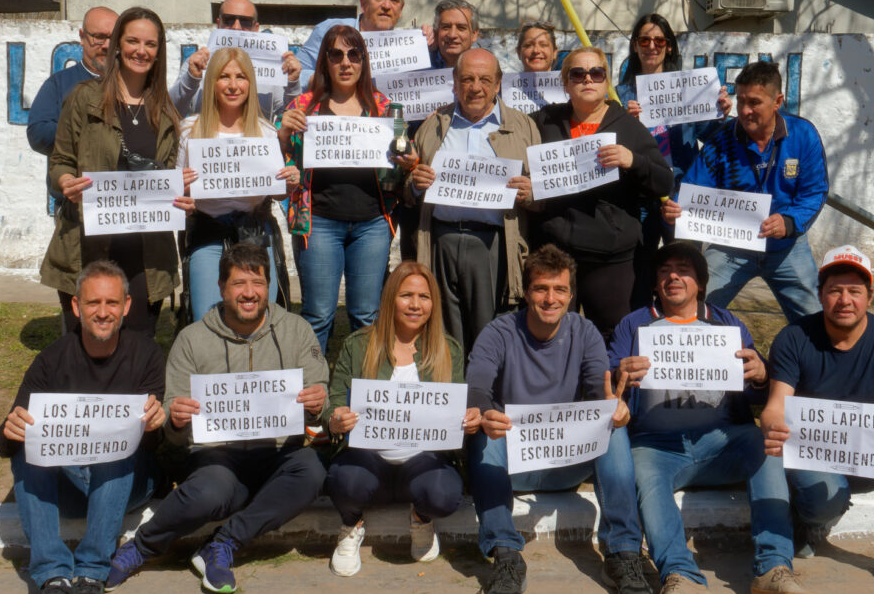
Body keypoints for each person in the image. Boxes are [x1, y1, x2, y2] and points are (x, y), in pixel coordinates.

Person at [106, 243, 329, 594]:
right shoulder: (191, 340)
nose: (250, 293)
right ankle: (142, 547)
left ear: (268, 286)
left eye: (258, 283)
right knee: (209, 491)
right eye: (239, 283)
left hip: (278, 453)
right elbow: (173, 432)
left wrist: (318, 401)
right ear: (222, 287)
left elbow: (321, 394)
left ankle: (223, 544)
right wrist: (176, 420)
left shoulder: (296, 330)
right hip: (217, 456)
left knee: (313, 470)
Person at [608, 242, 816, 594]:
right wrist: (620, 375)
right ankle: (679, 575)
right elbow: (610, 389)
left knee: (765, 445)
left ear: (701, 283)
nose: (673, 276)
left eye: (683, 270)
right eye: (664, 271)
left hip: (722, 441)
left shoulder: (727, 323)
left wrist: (761, 375)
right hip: (656, 446)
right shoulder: (634, 324)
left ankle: (773, 568)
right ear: (656, 284)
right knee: (645, 477)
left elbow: (756, 393)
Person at [467, 244, 652, 594]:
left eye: (560, 289)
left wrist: (615, 408)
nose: (550, 298)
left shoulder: (585, 333)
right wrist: (483, 411)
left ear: (571, 294)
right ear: (526, 291)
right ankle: (506, 554)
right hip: (511, 461)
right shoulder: (498, 332)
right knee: (484, 434)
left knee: (613, 428)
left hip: (569, 459)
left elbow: (601, 390)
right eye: (541, 288)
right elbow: (477, 386)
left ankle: (623, 553)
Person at [762, 246, 874, 594]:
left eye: (854, 291)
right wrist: (772, 424)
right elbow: (776, 404)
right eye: (835, 290)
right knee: (828, 496)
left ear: (869, 297)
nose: (844, 300)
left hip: (870, 456)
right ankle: (808, 519)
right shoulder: (794, 337)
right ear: (820, 294)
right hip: (813, 458)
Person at [0, 260, 165, 594]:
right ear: (76, 307)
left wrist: (155, 424)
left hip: (128, 482)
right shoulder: (51, 360)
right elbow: (5, 443)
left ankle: (91, 574)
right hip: (72, 486)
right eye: (93, 303)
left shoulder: (147, 354)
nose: (103, 312)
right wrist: (9, 430)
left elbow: (155, 445)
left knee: (117, 446)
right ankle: (52, 576)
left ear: (127, 306)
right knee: (28, 451)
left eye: (112, 303)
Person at [325, 261, 481, 576]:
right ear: (390, 299)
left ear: (434, 304)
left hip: (422, 461)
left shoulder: (447, 350)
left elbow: (454, 413)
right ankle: (351, 524)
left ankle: (421, 517)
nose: (414, 304)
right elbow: (335, 401)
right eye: (405, 295)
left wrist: (467, 421)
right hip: (368, 458)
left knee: (444, 495)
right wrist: (335, 418)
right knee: (344, 482)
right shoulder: (359, 345)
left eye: (424, 297)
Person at [40, 6, 185, 334]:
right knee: (89, 346)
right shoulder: (83, 99)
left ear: (159, 51)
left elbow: (172, 174)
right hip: (88, 245)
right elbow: (60, 161)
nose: (141, 50)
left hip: (147, 254)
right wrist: (66, 181)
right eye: (132, 40)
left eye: (150, 44)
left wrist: (182, 194)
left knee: (134, 347)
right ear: (119, 44)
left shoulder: (165, 111)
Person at [661, 61, 828, 324]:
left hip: (787, 248)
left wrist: (789, 222)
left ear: (778, 101)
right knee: (691, 309)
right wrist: (676, 208)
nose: (745, 111)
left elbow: (815, 193)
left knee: (817, 321)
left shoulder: (803, 135)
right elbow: (694, 188)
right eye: (741, 102)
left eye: (754, 102)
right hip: (731, 248)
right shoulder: (721, 140)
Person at [531, 46, 674, 341]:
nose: (588, 80)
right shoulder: (543, 121)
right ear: (565, 83)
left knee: (615, 338)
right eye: (578, 74)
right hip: (556, 255)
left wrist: (632, 160)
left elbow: (664, 182)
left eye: (596, 73)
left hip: (611, 261)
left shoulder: (627, 127)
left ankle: (608, 389)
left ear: (606, 81)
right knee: (552, 336)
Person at [406, 47, 539, 354]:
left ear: (498, 83)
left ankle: (483, 398)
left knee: (488, 333)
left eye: (484, 79)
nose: (475, 87)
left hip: (492, 244)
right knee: (442, 332)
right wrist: (414, 184)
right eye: (467, 79)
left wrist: (530, 192)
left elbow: (541, 193)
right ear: (455, 82)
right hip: (441, 239)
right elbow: (409, 187)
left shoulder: (522, 126)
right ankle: (452, 392)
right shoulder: (434, 125)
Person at [279, 25, 397, 351]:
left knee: (367, 316)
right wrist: (283, 134)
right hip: (319, 223)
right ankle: (313, 397)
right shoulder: (303, 105)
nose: (346, 63)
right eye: (336, 55)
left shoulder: (383, 107)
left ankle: (366, 394)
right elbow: (280, 162)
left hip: (372, 224)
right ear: (325, 62)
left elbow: (401, 163)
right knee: (317, 314)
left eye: (354, 54)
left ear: (363, 61)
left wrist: (408, 157)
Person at [613, 13, 731, 306]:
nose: (651, 46)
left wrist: (721, 112)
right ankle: (641, 325)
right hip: (639, 195)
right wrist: (624, 123)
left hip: (680, 195)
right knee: (639, 270)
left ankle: (683, 325)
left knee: (684, 268)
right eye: (644, 40)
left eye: (659, 40)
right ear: (635, 47)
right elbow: (610, 146)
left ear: (668, 47)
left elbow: (711, 135)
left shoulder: (690, 89)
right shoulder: (619, 96)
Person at [175, 47, 300, 321]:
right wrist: (181, 189)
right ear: (212, 83)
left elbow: (277, 193)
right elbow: (176, 195)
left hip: (255, 232)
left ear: (250, 84)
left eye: (241, 77)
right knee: (206, 319)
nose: (233, 85)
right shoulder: (190, 129)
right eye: (224, 77)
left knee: (260, 317)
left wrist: (289, 182)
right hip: (207, 233)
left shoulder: (266, 131)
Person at [169, 0, 301, 119]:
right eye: (229, 20)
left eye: (245, 22)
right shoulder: (197, 64)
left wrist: (292, 84)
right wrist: (191, 79)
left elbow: (289, 118)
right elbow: (171, 113)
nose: (236, 28)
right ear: (218, 24)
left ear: (256, 28)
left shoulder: (274, 68)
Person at [297, 0, 433, 87]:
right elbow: (295, 74)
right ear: (363, 3)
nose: (387, 5)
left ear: (401, 9)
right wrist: (331, 83)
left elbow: (430, 87)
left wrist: (432, 47)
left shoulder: (411, 47)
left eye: (394, 0)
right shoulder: (330, 30)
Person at [27, 6, 118, 157]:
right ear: (82, 37)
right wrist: (94, 134)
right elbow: (38, 134)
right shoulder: (59, 83)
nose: (107, 45)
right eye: (99, 37)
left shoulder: (131, 85)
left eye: (114, 38)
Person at [430, 0, 480, 68]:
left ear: (474, 34)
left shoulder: (487, 68)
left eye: (461, 28)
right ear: (436, 31)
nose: (452, 35)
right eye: (446, 27)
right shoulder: (418, 67)